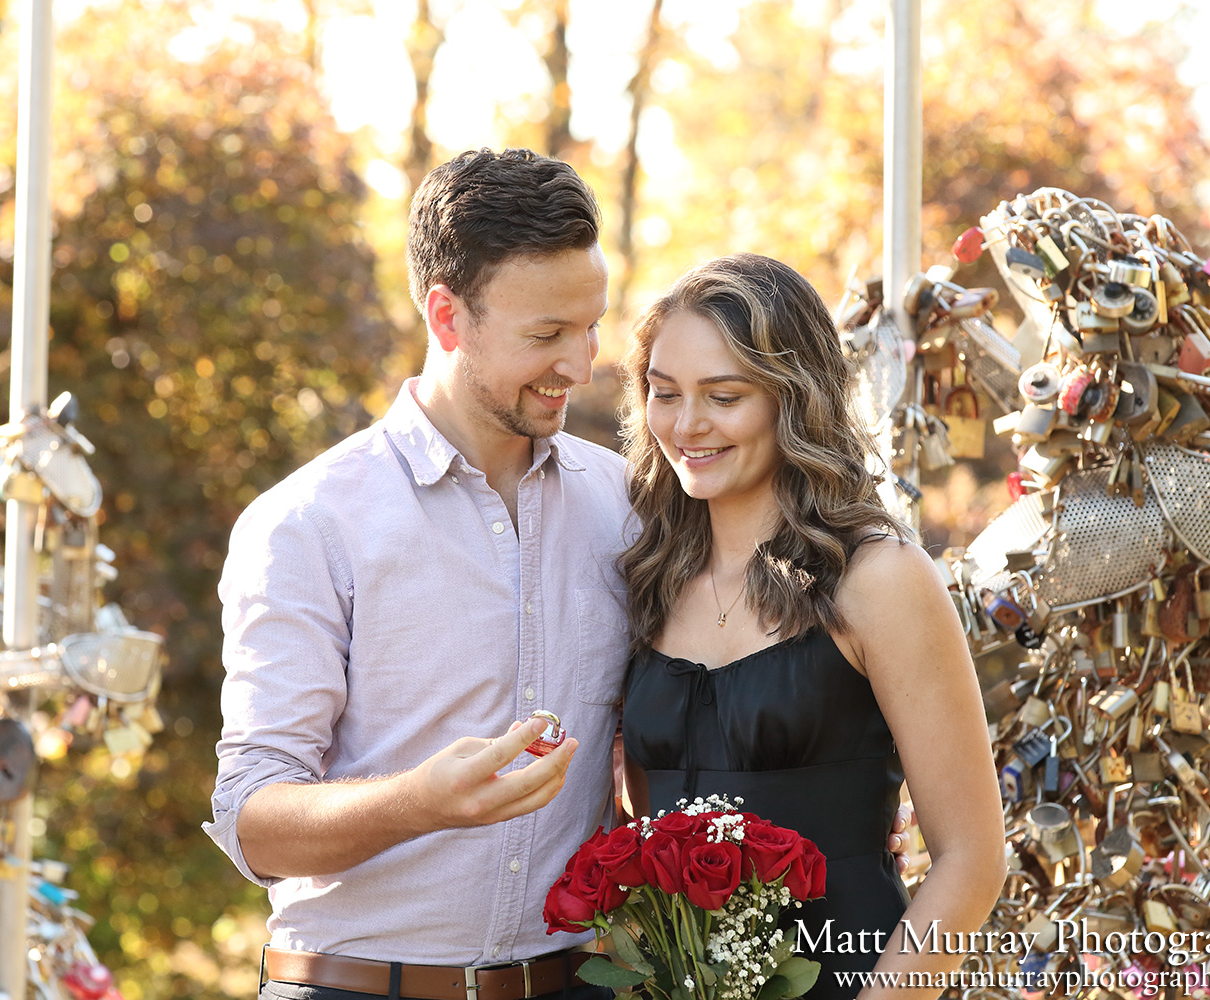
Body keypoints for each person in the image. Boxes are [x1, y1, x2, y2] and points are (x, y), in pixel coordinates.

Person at [205, 150, 913, 1000]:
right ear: (446, 318)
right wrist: (420, 803)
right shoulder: (309, 524)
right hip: (355, 986)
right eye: (544, 336)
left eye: (590, 327)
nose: (580, 365)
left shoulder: (632, 508)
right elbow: (254, 821)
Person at [617, 253, 1006, 1000]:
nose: (687, 425)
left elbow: (971, 861)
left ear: (792, 398)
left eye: (723, 396)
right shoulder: (645, 578)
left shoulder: (882, 579)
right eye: (664, 395)